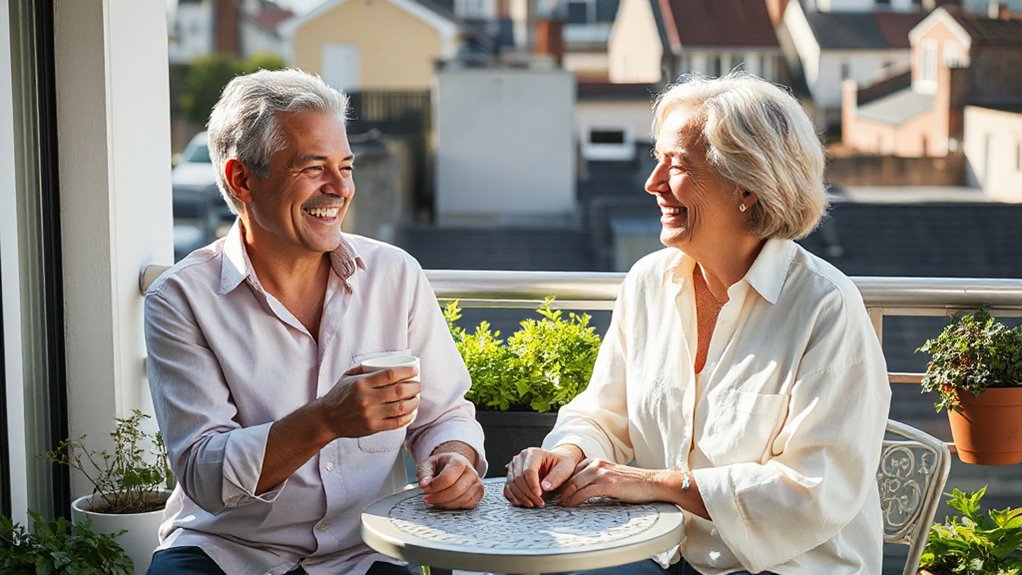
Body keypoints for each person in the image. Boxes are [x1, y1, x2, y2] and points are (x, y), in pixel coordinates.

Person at [504, 72, 891, 575]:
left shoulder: (826, 306)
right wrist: (571, 453)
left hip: (789, 567)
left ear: (747, 187)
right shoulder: (647, 283)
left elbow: (813, 489)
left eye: (678, 165)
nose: (653, 183)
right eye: (657, 160)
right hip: (660, 554)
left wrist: (653, 484)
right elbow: (605, 415)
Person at [144, 68, 486, 575]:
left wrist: (453, 457)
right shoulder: (180, 299)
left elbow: (444, 414)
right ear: (242, 179)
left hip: (368, 549)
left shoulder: (395, 275)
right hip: (227, 551)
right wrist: (325, 421)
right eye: (313, 168)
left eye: (345, 167)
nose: (338, 189)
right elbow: (204, 473)